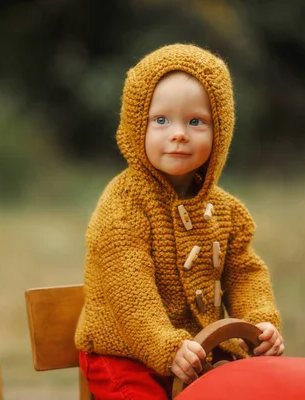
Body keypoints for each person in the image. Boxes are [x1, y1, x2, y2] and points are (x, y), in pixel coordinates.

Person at [74, 43, 284, 399]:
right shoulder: (124, 205)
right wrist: (165, 345)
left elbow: (244, 271)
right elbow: (130, 292)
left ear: (221, 132)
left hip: (199, 350)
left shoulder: (226, 211)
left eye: (196, 121)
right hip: (124, 350)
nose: (178, 133)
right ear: (136, 125)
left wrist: (260, 322)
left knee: (257, 389)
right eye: (161, 120)